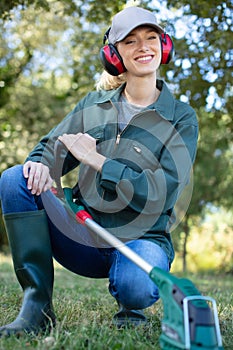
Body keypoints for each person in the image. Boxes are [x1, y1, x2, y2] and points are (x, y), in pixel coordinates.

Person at [0, 6, 198, 336]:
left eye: (151, 38)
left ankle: (130, 307)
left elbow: (161, 195)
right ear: (114, 54)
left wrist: (99, 160)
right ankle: (37, 305)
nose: (143, 47)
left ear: (164, 47)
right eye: (130, 41)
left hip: (142, 238)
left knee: (136, 286)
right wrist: (40, 163)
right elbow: (51, 147)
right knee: (14, 178)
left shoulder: (180, 117)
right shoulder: (95, 105)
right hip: (82, 231)